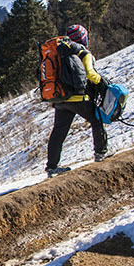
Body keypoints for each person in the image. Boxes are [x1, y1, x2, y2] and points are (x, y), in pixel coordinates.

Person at [45, 24, 109, 177]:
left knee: (58, 132)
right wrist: (103, 82)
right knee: (96, 120)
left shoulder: (58, 52)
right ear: (83, 38)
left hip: (60, 99)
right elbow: (90, 74)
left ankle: (52, 167)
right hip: (78, 97)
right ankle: (101, 153)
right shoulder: (82, 52)